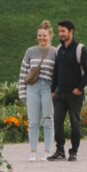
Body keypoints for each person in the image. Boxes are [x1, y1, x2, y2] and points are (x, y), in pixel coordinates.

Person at [49, 19, 87, 160]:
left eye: (63, 31)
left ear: (71, 32)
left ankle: (73, 152)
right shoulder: (59, 50)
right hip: (60, 93)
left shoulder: (80, 49)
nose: (60, 34)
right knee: (57, 121)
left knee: (75, 123)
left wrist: (79, 89)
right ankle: (60, 150)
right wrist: (53, 90)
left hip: (74, 94)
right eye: (59, 31)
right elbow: (56, 71)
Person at [18, 23, 56, 158]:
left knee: (48, 119)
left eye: (44, 36)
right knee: (33, 121)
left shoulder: (54, 52)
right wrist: (22, 92)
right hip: (32, 88)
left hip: (48, 88)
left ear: (50, 36)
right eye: (39, 35)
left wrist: (56, 91)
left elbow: (58, 74)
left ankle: (47, 150)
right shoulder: (30, 51)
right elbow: (23, 72)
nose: (42, 38)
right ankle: (32, 151)